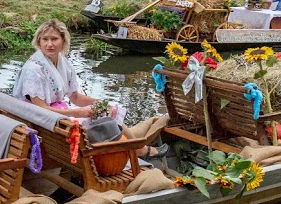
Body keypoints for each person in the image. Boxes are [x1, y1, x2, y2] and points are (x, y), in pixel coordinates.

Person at [12, 19, 167, 158]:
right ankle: (134, 151)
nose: (49, 44)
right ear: (38, 42)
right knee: (102, 120)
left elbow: (75, 97)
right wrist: (77, 112)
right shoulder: (33, 69)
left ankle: (137, 148)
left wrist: (100, 103)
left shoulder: (63, 62)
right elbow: (39, 109)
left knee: (107, 110)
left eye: (54, 39)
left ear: (63, 41)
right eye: (45, 39)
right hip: (41, 122)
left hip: (55, 115)